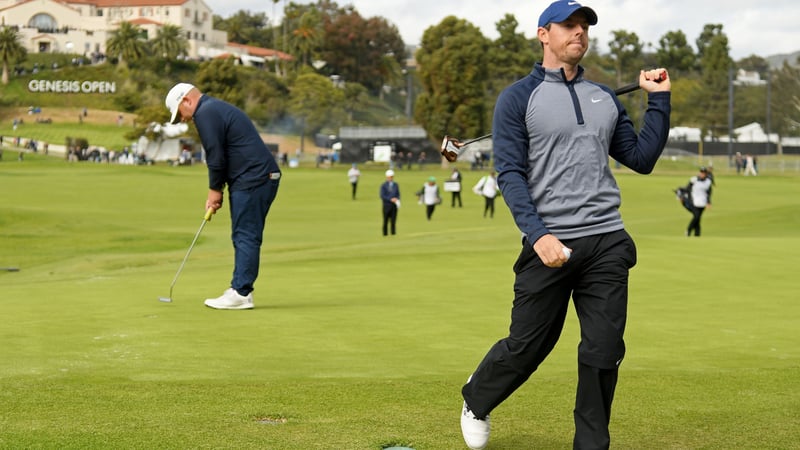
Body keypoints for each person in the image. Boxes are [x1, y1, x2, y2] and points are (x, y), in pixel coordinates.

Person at [459, 2, 671, 449]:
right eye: (569, 26)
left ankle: (591, 444)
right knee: (527, 348)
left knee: (603, 351)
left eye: (584, 27)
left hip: (607, 239)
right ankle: (477, 397)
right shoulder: (518, 98)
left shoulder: (605, 98)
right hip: (549, 242)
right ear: (544, 34)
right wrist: (539, 236)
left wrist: (660, 102)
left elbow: (641, 159)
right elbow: (510, 174)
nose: (579, 33)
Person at [164, 82, 281, 310]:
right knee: (244, 233)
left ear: (187, 101)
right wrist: (219, 188)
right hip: (255, 176)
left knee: (245, 234)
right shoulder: (213, 109)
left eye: (180, 114)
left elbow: (215, 156)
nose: (184, 119)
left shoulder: (205, 113)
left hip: (253, 177)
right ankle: (241, 289)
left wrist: (214, 190)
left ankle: (241, 292)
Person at [686, 167, 713, 237]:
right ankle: (689, 230)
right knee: (696, 216)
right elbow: (687, 189)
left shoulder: (708, 182)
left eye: (704, 173)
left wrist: (708, 202)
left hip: (702, 202)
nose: (702, 174)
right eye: (701, 172)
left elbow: (709, 193)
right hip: (694, 201)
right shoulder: (694, 180)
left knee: (698, 218)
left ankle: (697, 234)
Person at [379, 169, 400, 235]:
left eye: (391, 177)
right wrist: (390, 199)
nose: (390, 178)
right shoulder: (383, 185)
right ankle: (385, 234)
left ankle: (393, 233)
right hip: (386, 205)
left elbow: (398, 194)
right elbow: (382, 195)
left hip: (394, 206)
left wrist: (396, 199)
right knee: (385, 220)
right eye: (389, 177)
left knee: (393, 221)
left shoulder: (395, 185)